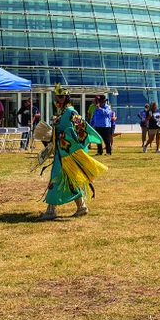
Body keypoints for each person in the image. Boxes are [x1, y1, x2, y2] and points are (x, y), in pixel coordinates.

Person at [35, 84, 107, 220]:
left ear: (66, 98)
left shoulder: (70, 112)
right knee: (70, 179)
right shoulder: (62, 112)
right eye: (56, 96)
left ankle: (51, 211)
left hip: (66, 153)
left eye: (61, 96)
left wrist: (62, 135)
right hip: (61, 153)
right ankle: (81, 207)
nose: (58, 99)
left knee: (56, 178)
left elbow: (80, 131)